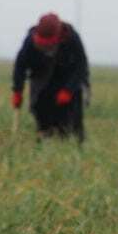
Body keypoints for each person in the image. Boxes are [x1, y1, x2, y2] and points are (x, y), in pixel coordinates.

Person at [10, 12, 90, 143]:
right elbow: (20, 65)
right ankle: (44, 141)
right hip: (41, 82)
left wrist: (69, 90)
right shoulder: (30, 39)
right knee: (42, 115)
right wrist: (17, 90)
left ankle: (74, 145)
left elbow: (81, 67)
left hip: (68, 83)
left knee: (71, 122)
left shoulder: (72, 38)